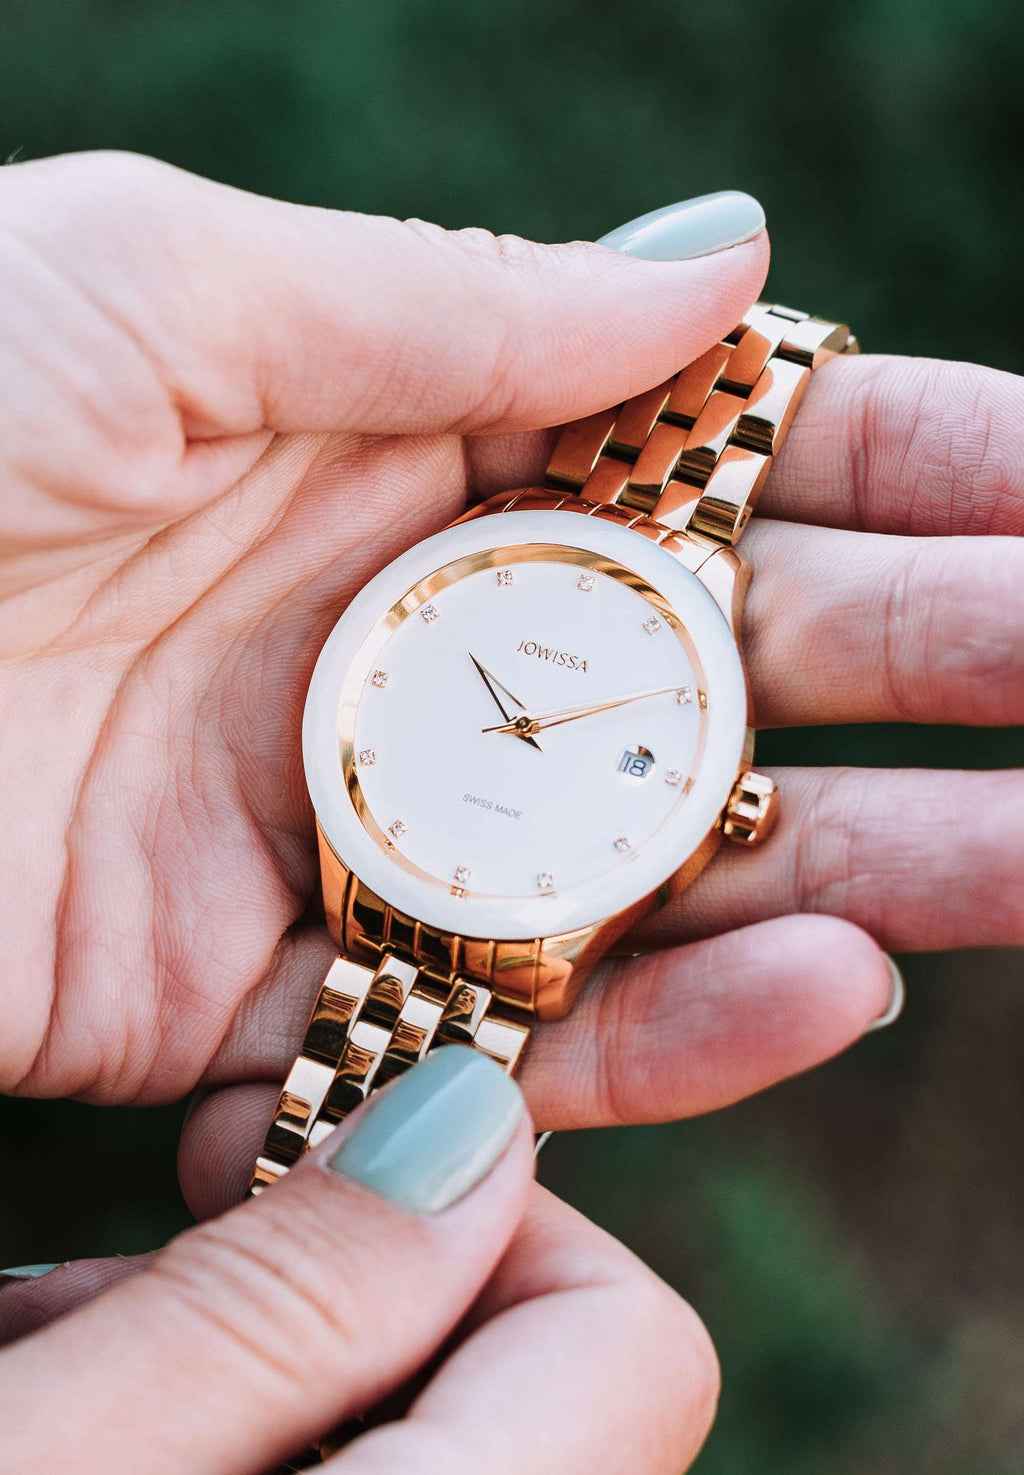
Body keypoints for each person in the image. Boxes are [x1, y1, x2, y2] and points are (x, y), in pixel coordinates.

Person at [0, 152, 1019, 1472]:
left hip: (482, 908)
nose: (527, 728)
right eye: (518, 710)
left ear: (728, 803)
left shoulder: (675, 657)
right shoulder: (502, 528)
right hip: (379, 865)